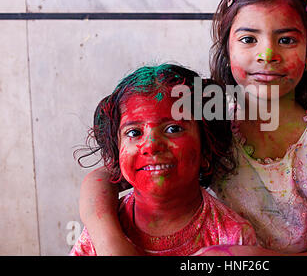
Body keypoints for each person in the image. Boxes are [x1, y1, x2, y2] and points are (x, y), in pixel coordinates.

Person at [78, 0, 307, 256]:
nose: (267, 54)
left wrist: (234, 257)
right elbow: (104, 179)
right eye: (249, 39)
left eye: (286, 40)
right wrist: (111, 241)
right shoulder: (209, 116)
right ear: (227, 49)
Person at [70, 64, 256, 255]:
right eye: (134, 132)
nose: (151, 145)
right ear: (117, 152)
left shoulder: (233, 237)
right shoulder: (103, 232)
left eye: (173, 129)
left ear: (206, 151)